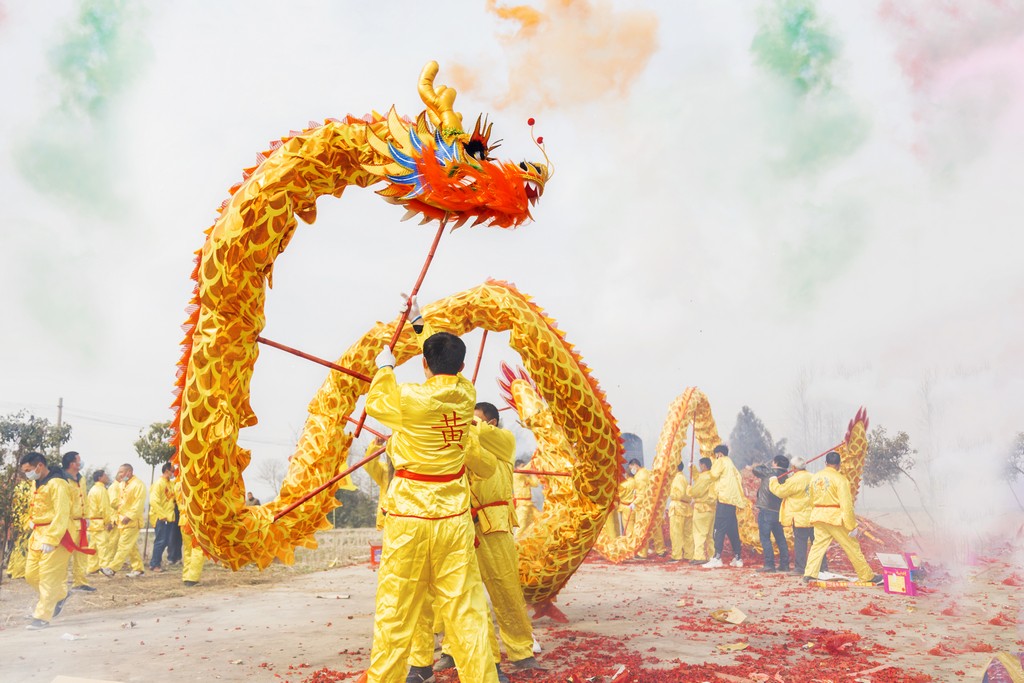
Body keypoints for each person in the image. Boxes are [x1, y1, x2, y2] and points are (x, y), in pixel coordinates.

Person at [362, 296, 499, 683]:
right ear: (462, 367)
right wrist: (420, 321)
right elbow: (439, 357)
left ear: (424, 364)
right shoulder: (467, 395)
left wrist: (385, 368)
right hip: (454, 518)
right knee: (466, 612)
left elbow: (376, 403)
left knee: (395, 611)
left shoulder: (408, 398)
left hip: (409, 516)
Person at [412, 402, 539, 682]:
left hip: (495, 527)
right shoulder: (464, 444)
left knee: (506, 592)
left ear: (491, 423)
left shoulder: (503, 440)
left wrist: (457, 420)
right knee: (460, 595)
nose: (467, 423)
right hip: (462, 527)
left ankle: (521, 650)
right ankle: (460, 652)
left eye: (474, 419)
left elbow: (476, 433)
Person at [803, 452, 882, 585]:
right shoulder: (841, 479)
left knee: (818, 546)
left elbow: (810, 498)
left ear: (825, 463)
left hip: (818, 515)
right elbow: (846, 505)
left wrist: (815, 511)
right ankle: (866, 575)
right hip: (835, 518)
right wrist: (851, 525)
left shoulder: (815, 478)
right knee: (852, 546)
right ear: (839, 464)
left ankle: (809, 573)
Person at [20, 452, 73, 630]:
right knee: (31, 575)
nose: (27, 474)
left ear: (40, 466)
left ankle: (42, 616)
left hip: (56, 534)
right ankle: (60, 595)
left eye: (28, 470)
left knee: (48, 577)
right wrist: (30, 520)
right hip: (38, 534)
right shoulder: (37, 483)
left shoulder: (57, 483)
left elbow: (62, 512)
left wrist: (52, 538)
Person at [769, 457, 826, 575]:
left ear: (794, 467)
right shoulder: (814, 477)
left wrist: (773, 481)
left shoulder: (794, 480)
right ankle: (822, 567)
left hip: (800, 517)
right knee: (818, 543)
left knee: (800, 543)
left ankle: (800, 568)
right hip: (814, 515)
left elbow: (780, 492)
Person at [704, 444, 747, 568]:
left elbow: (713, 475)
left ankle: (717, 557)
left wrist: (712, 465)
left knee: (718, 529)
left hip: (724, 499)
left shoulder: (721, 461)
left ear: (719, 454)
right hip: (732, 501)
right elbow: (739, 478)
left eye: (716, 455)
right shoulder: (731, 464)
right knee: (732, 530)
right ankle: (738, 558)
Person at [101, 464, 146, 577]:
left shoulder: (138, 485)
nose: (119, 474)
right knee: (131, 547)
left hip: (132, 521)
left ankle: (112, 569)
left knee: (123, 545)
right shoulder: (122, 484)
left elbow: (139, 504)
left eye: (121, 472)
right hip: (122, 520)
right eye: (119, 472)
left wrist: (129, 516)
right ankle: (138, 569)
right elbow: (120, 502)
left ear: (129, 472)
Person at [752, 455, 791, 573]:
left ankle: (769, 564)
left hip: (766, 509)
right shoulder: (786, 476)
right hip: (778, 511)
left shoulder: (769, 473)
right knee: (780, 538)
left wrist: (766, 465)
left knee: (765, 538)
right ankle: (785, 564)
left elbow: (756, 469)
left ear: (775, 463)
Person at [629, 458, 666, 558]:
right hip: (651, 504)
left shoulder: (639, 477)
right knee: (655, 527)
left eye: (631, 467)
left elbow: (642, 494)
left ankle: (642, 552)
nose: (631, 470)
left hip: (643, 507)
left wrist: (634, 503)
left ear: (635, 465)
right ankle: (661, 550)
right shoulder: (646, 472)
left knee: (642, 529)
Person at [175, 477, 205, 587]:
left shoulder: (177, 484)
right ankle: (192, 578)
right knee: (198, 548)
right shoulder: (194, 482)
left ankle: (186, 576)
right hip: (194, 520)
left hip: (183, 520)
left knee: (188, 550)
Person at [148, 463, 176, 572]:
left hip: (169, 517)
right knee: (161, 541)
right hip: (161, 518)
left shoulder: (170, 484)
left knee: (165, 541)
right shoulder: (158, 483)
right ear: (167, 470)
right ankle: (154, 564)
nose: (173, 473)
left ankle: (156, 563)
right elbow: (154, 501)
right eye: (172, 471)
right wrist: (161, 515)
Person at [86, 470, 113, 575]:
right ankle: (104, 568)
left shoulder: (92, 489)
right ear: (100, 478)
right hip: (100, 522)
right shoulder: (101, 490)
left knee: (93, 546)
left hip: (93, 522)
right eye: (105, 475)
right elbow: (104, 508)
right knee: (103, 546)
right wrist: (108, 521)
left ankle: (92, 567)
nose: (107, 477)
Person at [689, 457, 716, 564]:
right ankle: (712, 556)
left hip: (701, 509)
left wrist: (689, 490)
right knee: (709, 535)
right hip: (710, 509)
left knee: (699, 533)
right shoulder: (711, 476)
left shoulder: (704, 477)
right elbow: (698, 478)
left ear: (704, 466)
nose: (700, 467)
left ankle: (699, 556)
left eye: (700, 465)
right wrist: (693, 468)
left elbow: (696, 491)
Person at [6, 475, 34, 580]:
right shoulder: (24, 487)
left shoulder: (27, 485)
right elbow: (20, 507)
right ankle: (19, 571)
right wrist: (22, 522)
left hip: (24, 520)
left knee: (18, 546)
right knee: (23, 546)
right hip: (25, 521)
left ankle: (12, 569)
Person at [668, 462, 693, 561]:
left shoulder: (677, 478)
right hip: (686, 507)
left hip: (678, 508)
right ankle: (689, 554)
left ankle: (676, 555)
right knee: (687, 533)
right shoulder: (684, 478)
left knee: (676, 533)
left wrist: (672, 495)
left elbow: (680, 494)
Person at [512, 459, 540, 535]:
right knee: (522, 525)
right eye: (522, 466)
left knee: (535, 521)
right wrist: (533, 460)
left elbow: (535, 484)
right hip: (521, 505)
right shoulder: (516, 475)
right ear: (516, 468)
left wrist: (531, 473)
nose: (524, 468)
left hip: (529, 504)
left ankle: (525, 540)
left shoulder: (526, 477)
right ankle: (516, 540)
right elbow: (525, 469)